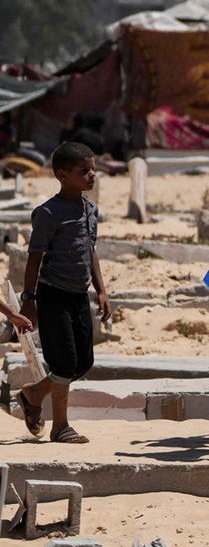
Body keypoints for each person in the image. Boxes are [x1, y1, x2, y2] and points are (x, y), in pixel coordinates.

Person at [15, 142, 111, 443]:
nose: (92, 175)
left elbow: (90, 251)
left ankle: (32, 395)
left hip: (79, 295)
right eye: (84, 171)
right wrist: (28, 301)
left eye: (92, 169)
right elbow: (35, 257)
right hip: (53, 294)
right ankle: (60, 426)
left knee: (84, 362)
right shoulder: (48, 213)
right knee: (64, 363)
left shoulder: (90, 210)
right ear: (62, 175)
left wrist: (102, 291)